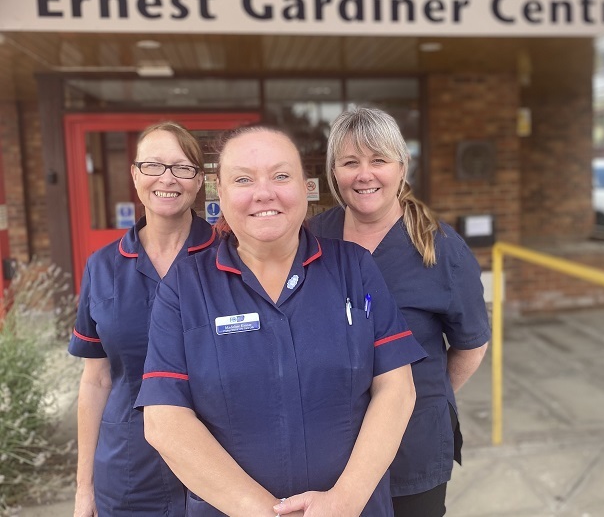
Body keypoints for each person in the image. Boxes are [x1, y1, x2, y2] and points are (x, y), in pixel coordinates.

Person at [135, 124, 426, 516]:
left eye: (281, 175)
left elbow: (397, 388)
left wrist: (345, 501)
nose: (264, 192)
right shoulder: (185, 287)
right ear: (218, 192)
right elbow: (165, 420)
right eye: (243, 179)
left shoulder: (354, 268)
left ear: (307, 187)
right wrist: (261, 511)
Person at [308, 107, 490, 517]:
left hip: (413, 446)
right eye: (350, 162)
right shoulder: (313, 239)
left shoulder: (442, 249)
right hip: (330, 443)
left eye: (378, 160)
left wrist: (421, 398)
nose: (364, 174)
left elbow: (471, 346)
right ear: (334, 172)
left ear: (402, 166)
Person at [69, 121, 215, 516]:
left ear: (199, 181)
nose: (167, 179)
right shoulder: (102, 266)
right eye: (153, 165)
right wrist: (85, 489)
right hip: (130, 471)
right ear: (134, 175)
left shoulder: (228, 258)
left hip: (222, 468)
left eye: (183, 167)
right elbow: (96, 380)